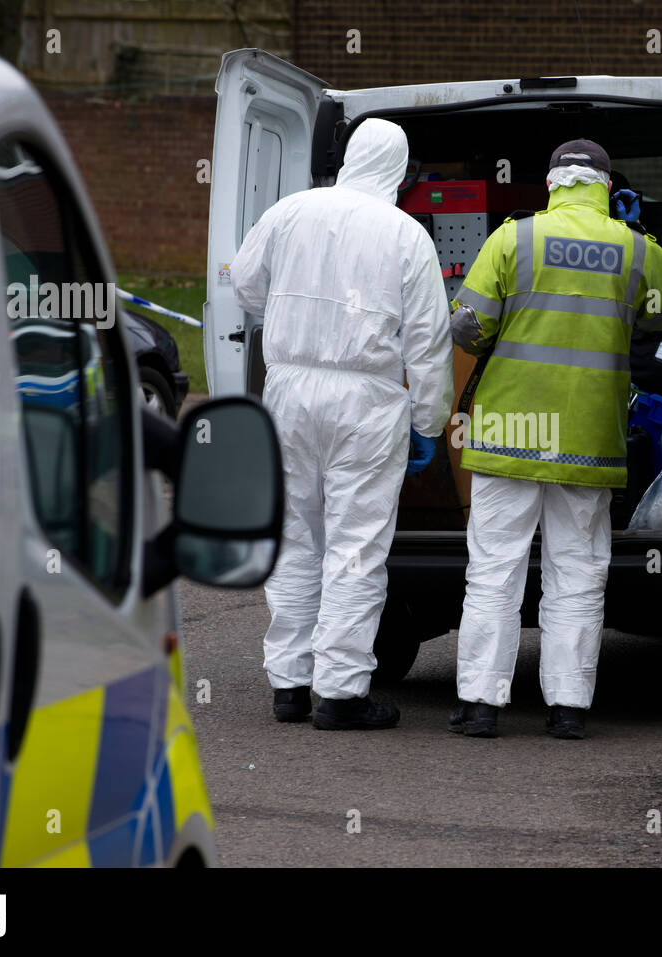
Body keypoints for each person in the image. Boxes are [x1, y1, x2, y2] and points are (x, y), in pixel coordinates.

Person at [446, 139, 662, 739]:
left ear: (551, 185)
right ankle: (569, 708)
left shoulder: (512, 239)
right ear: (606, 188)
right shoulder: (637, 251)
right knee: (577, 571)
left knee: (495, 570)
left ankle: (480, 704)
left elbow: (467, 328)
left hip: (509, 435)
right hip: (587, 438)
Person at [231, 118, 453, 731]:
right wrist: (429, 420)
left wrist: (296, 305)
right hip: (367, 401)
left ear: (348, 158)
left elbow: (245, 285)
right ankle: (341, 693)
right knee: (356, 545)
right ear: (401, 172)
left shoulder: (289, 211)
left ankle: (289, 684)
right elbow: (429, 343)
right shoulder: (407, 236)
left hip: (289, 391)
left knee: (296, 535)